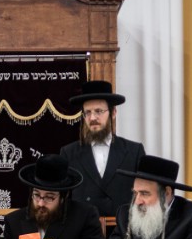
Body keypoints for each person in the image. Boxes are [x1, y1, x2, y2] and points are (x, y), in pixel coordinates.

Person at [99, 155, 192, 239]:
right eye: (135, 193)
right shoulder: (125, 213)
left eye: (144, 193)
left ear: (167, 192)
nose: (137, 201)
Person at [60, 80, 145, 217]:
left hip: (124, 228)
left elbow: (144, 196)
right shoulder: (69, 153)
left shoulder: (134, 152)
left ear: (113, 112)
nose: (92, 118)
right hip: (83, 229)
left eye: (99, 111)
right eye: (87, 112)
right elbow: (63, 200)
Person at [3, 154, 106, 239]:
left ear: (63, 197)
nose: (41, 203)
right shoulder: (13, 221)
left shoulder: (85, 216)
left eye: (49, 197)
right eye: (36, 195)